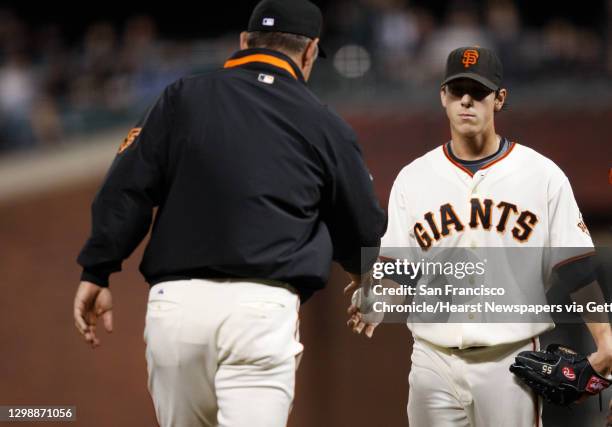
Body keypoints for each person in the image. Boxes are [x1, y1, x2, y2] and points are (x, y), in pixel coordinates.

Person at [72, 0, 386, 426]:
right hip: (260, 308)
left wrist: (97, 269)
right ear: (310, 51)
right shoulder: (323, 123)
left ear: (243, 42)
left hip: (176, 308)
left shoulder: (182, 97)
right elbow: (362, 224)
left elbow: (124, 189)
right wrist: (363, 276)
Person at [347, 46, 612, 426]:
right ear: (443, 96)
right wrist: (375, 299)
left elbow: (577, 268)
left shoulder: (541, 175)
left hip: (509, 357)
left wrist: (605, 341)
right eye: (457, 90)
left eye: (479, 90)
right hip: (431, 357)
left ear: (499, 99)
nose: (466, 100)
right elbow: (399, 268)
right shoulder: (413, 177)